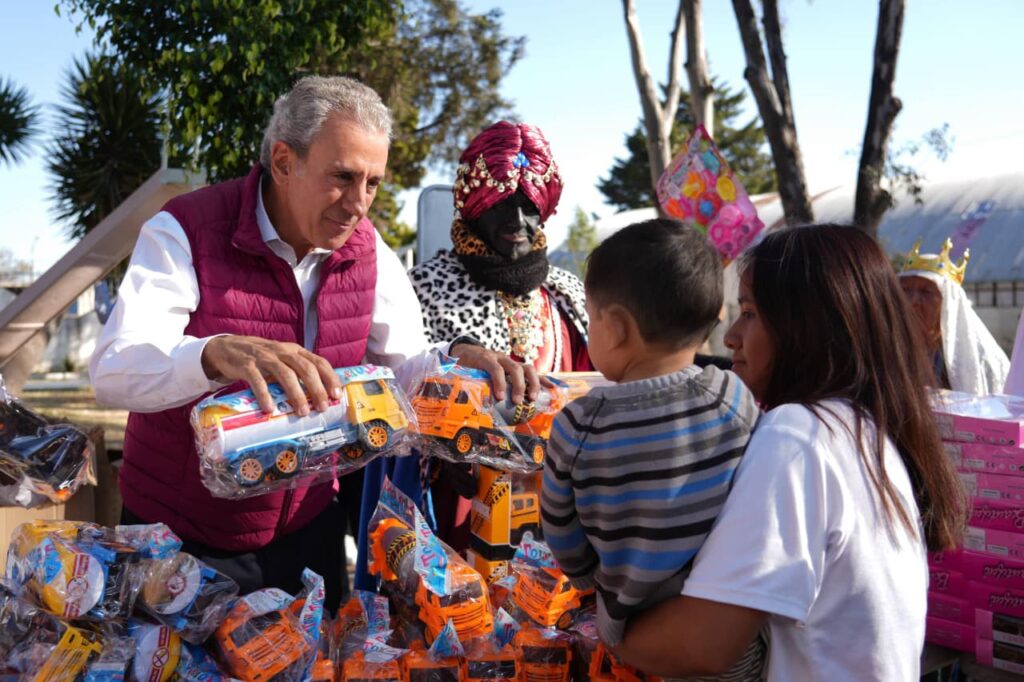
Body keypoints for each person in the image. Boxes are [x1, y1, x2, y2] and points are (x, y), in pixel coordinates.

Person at [89, 76, 538, 611]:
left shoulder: (372, 252)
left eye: (372, 182)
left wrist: (455, 357)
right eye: (343, 177)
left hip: (306, 539)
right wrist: (213, 352)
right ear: (283, 162)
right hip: (180, 542)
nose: (358, 204)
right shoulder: (185, 230)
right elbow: (114, 370)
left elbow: (405, 368)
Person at [615, 224, 966, 679]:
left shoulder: (799, 435)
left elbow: (701, 647)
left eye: (749, 313)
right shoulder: (863, 427)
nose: (732, 338)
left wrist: (597, 625)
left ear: (806, 327)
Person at [540, 219, 766, 678]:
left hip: (631, 635)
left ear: (618, 327)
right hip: (731, 642)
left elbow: (564, 540)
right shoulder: (731, 396)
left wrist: (592, 581)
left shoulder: (577, 426)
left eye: (590, 317)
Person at [898, 238, 1009, 394]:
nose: (913, 300)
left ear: (949, 303)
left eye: (926, 292)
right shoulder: (889, 347)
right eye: (906, 290)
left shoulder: (982, 359)